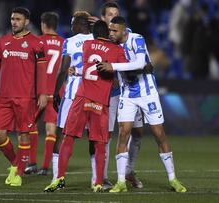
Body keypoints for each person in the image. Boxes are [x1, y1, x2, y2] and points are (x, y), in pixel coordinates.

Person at [97, 16, 187, 193]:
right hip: (128, 95)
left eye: (114, 31)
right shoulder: (112, 45)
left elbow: (141, 63)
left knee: (159, 134)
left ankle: (173, 179)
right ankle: (121, 181)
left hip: (148, 94)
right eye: (109, 30)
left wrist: (113, 67)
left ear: (124, 31)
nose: (111, 33)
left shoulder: (136, 39)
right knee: (123, 133)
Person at [44, 20, 127, 193]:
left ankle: (59, 178)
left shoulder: (88, 44)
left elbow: (89, 66)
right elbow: (124, 70)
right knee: (99, 143)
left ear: (94, 34)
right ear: (108, 33)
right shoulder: (117, 50)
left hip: (81, 98)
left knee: (68, 137)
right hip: (99, 101)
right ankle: (97, 183)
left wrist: (77, 71)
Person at [0, 7, 48, 187]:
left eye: (18, 19)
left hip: (25, 98)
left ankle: (18, 174)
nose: (14, 22)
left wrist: (43, 93)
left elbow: (42, 70)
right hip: (4, 98)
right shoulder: (3, 42)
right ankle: (17, 164)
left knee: (23, 135)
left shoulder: (36, 43)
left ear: (26, 22)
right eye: (12, 19)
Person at [89, 1, 144, 189]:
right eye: (109, 14)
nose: (113, 16)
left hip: (130, 92)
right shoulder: (98, 39)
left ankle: (128, 170)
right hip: (110, 94)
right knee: (107, 134)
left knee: (138, 132)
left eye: (116, 13)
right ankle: (102, 176)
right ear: (103, 18)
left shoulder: (128, 35)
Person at [51, 11, 93, 182]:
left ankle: (56, 178)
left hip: (72, 93)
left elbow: (62, 70)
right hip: (93, 92)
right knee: (94, 136)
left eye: (73, 22)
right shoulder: (96, 40)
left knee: (62, 134)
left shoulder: (69, 42)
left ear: (79, 24)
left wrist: (55, 94)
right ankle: (96, 180)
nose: (71, 26)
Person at [24, 12, 64, 176]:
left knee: (30, 126)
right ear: (56, 25)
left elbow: (31, 67)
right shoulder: (64, 43)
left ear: (43, 24)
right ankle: (46, 167)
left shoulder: (38, 42)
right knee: (51, 130)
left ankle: (32, 163)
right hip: (56, 92)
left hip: (38, 91)